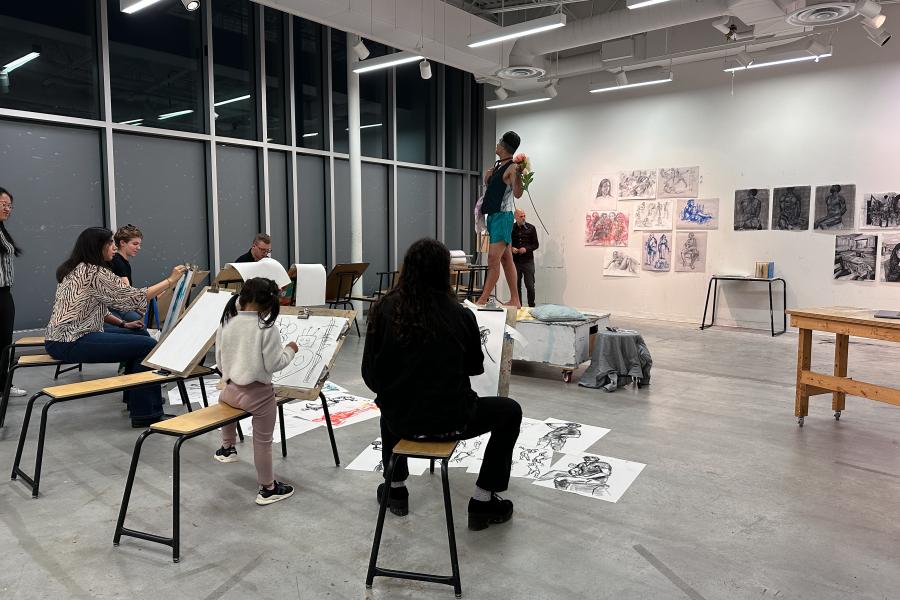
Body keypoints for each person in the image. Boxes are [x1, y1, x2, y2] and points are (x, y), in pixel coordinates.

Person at [363, 238, 522, 530]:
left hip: (402, 422)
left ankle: (396, 489)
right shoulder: (460, 314)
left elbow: (371, 376)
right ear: (443, 273)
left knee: (389, 401)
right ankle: (483, 499)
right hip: (454, 420)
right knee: (509, 411)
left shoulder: (385, 310)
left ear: (407, 269)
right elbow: (475, 367)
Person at [44, 227, 186, 427]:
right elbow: (133, 298)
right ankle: (146, 414)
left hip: (63, 337)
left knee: (137, 332)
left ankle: (135, 398)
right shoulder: (95, 272)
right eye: (110, 243)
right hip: (71, 340)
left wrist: (122, 323)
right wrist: (170, 280)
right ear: (98, 247)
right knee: (146, 345)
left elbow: (95, 309)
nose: (113, 247)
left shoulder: (78, 268)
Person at [213, 277, 298, 505]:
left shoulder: (227, 322)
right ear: (269, 304)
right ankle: (268, 488)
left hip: (229, 392)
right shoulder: (266, 328)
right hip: (258, 396)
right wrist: (290, 350)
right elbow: (274, 364)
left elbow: (220, 362)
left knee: (226, 402)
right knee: (263, 442)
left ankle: (227, 447)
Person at [476, 131, 522, 307]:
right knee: (506, 259)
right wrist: (488, 177)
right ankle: (515, 299)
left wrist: (518, 177)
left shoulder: (512, 167)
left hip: (503, 216)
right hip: (494, 216)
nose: (496, 144)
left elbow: (517, 194)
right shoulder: (496, 167)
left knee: (493, 259)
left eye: (499, 142)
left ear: (503, 146)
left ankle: (483, 299)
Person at [0, 186, 25, 398]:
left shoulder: (1, 230)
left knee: (4, 341)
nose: (8, 209)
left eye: (10, 205)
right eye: (3, 204)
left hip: (4, 293)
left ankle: (3, 385)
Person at [104, 224, 149, 336]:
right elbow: (128, 293)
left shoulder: (122, 262)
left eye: (139, 244)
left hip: (117, 307)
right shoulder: (118, 261)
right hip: (113, 309)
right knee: (142, 324)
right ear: (122, 243)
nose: (138, 247)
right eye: (135, 244)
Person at [511, 208, 539, 308]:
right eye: (521, 216)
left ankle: (531, 306)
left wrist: (526, 249)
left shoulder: (531, 228)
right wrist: (511, 248)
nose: (523, 218)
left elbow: (536, 245)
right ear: (515, 217)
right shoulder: (511, 228)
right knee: (516, 286)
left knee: (530, 286)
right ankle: (519, 307)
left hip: (528, 261)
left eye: (524, 216)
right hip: (515, 262)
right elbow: (506, 243)